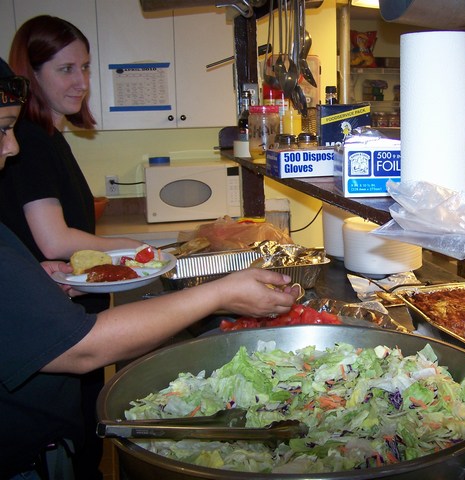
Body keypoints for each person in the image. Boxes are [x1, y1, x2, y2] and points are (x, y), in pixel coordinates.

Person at [0, 57, 300, 480]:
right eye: (2, 129)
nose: (12, 147)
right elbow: (84, 348)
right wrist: (219, 292)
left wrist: (32, 280)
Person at [0, 16, 142, 478]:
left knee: (82, 442)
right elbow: (55, 240)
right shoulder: (31, 140)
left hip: (59, 305)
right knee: (77, 448)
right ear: (31, 74)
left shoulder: (46, 137)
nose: (81, 81)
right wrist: (137, 248)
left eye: (85, 67)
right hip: (53, 328)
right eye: (65, 69)